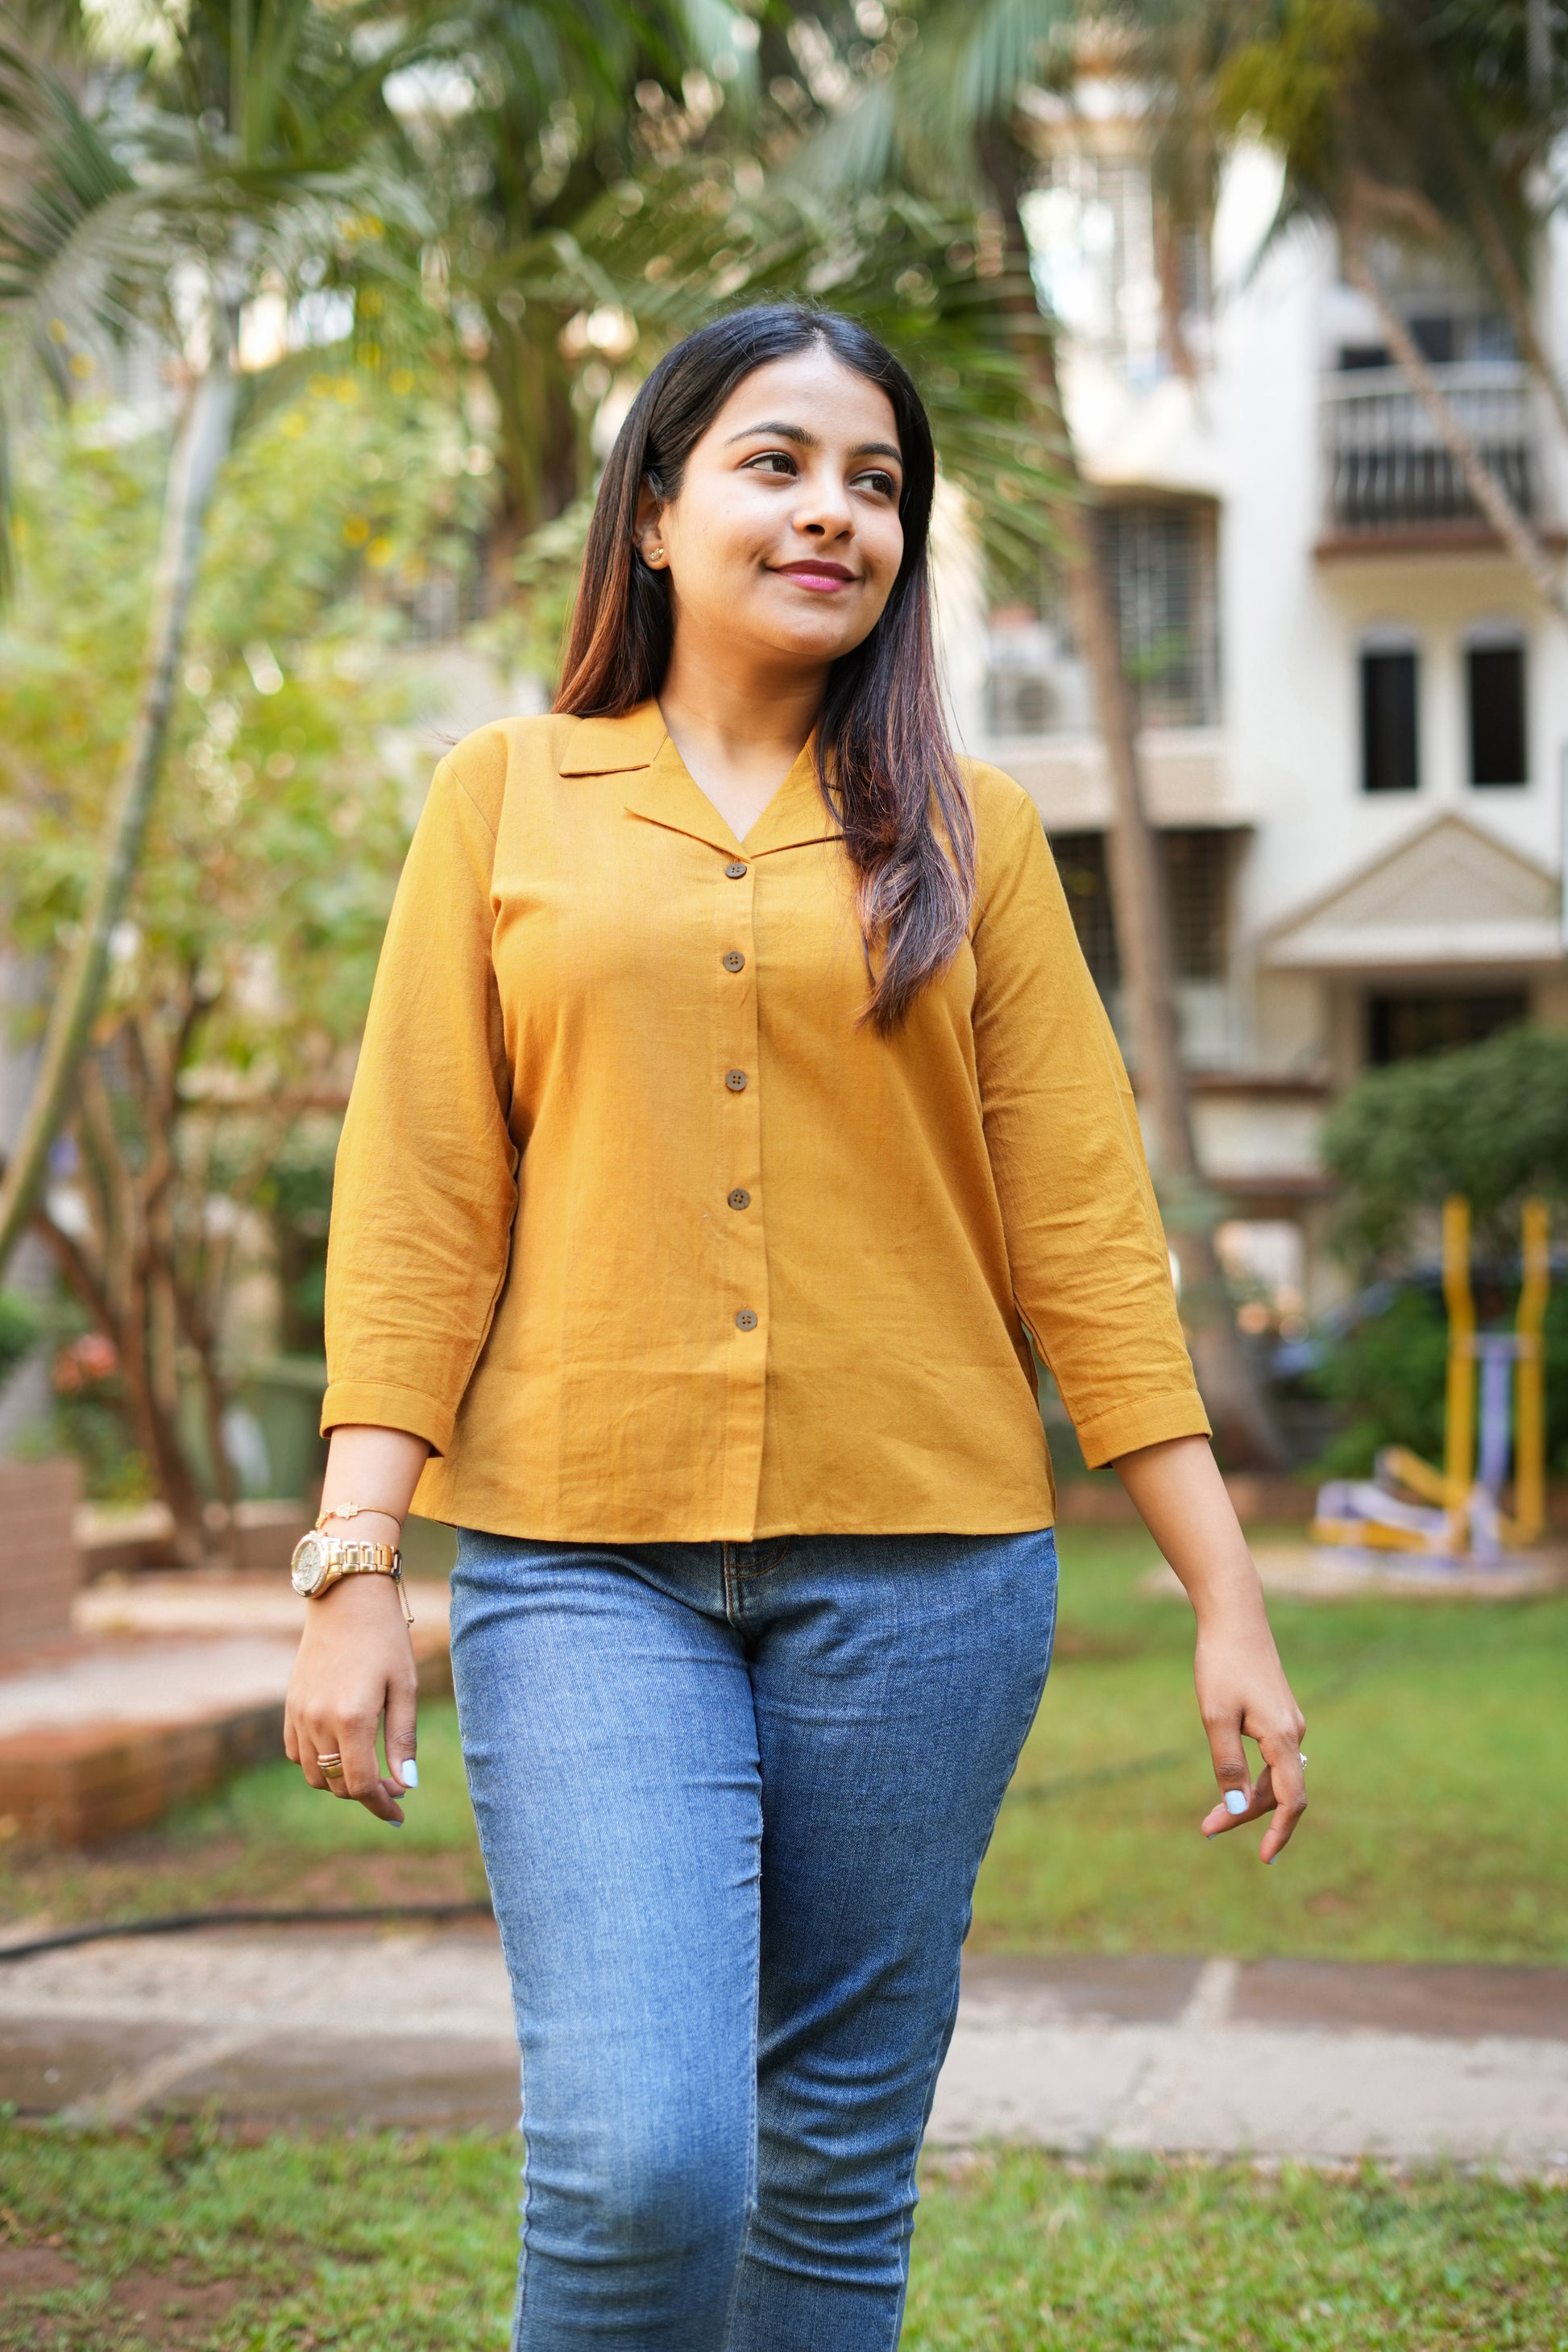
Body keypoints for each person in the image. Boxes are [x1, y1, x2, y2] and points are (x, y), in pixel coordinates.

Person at [284, 302, 1307, 2351]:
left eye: (877, 483)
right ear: (654, 509)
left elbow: (1088, 1235)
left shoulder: (976, 833)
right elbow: (418, 1200)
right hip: (585, 1562)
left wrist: (1225, 1593)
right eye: (776, 462)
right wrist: (354, 1556)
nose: (834, 512)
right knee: (643, 2148)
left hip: (928, 1572)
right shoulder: (505, 797)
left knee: (834, 2158)